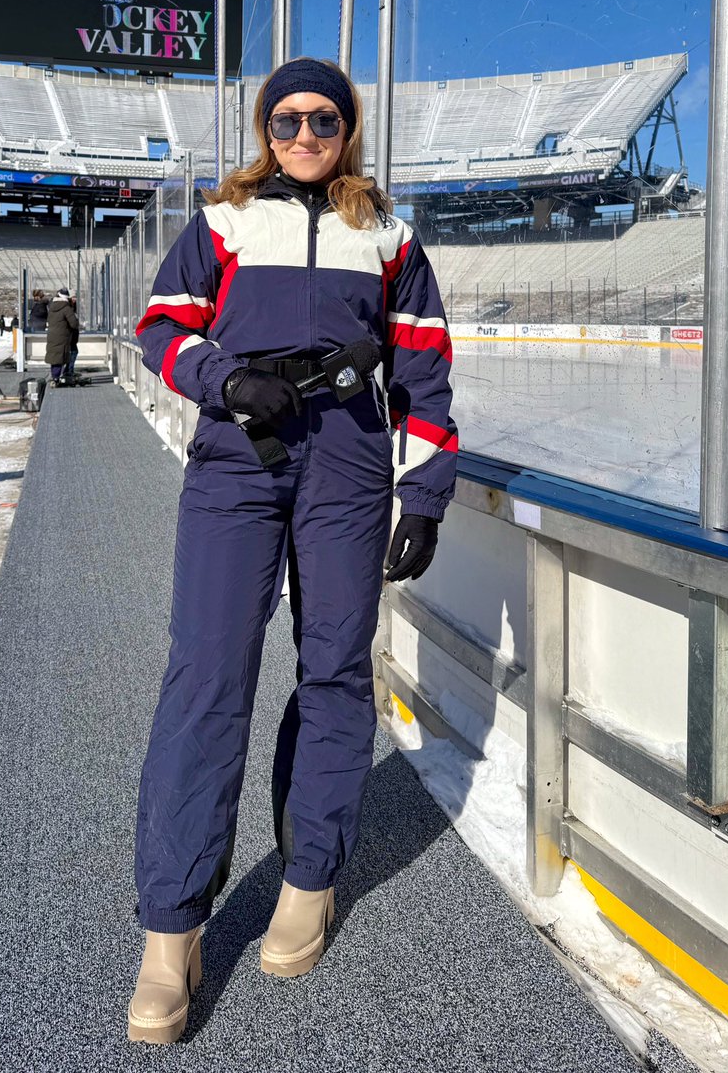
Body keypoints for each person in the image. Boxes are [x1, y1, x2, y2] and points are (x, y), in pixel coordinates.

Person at [129, 57, 457, 1043]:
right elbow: (156, 326)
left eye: (322, 119)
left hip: (348, 472)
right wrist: (222, 381)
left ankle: (308, 878)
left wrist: (427, 487)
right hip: (236, 464)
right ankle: (169, 929)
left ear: (346, 129)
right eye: (285, 118)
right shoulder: (223, 221)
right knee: (205, 678)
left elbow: (425, 367)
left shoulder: (388, 235)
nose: (303, 133)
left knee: (332, 675)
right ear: (263, 127)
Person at [44, 289, 79, 386]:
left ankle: (55, 377)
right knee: (60, 356)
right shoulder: (66, 308)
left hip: (52, 335)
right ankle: (60, 377)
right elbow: (74, 323)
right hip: (62, 336)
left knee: (54, 357)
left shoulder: (52, 307)